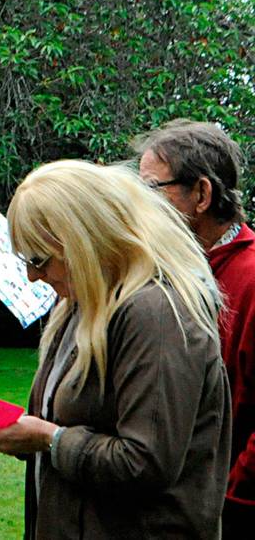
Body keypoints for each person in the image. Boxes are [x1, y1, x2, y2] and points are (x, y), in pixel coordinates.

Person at [0, 160, 230, 539]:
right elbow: (71, 425)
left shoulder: (155, 313)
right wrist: (14, 432)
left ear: (87, 239)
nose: (32, 276)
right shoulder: (80, 305)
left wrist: (47, 439)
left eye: (39, 260)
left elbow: (144, 463)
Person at [135, 119, 255, 537]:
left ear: (201, 194)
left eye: (153, 189)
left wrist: (231, 497)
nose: (141, 204)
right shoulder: (169, 272)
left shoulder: (251, 276)